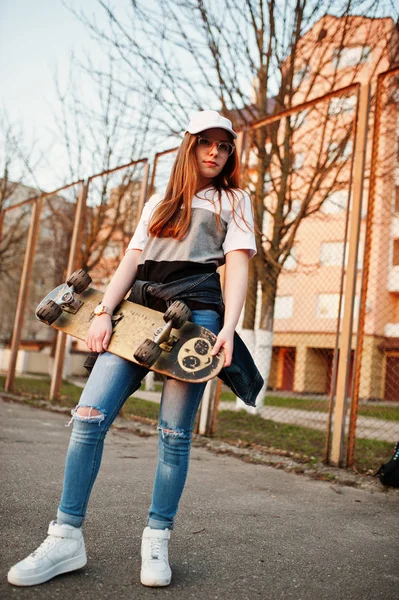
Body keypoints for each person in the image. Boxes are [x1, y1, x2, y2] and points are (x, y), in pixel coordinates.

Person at [8, 110, 261, 588]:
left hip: (199, 313)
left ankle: (157, 538)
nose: (215, 152)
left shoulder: (235, 199)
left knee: (173, 434)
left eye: (224, 146)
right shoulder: (158, 202)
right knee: (88, 417)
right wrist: (103, 312)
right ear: (189, 146)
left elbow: (238, 265)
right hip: (136, 310)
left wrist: (228, 329)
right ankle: (65, 538)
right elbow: (131, 260)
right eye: (206, 142)